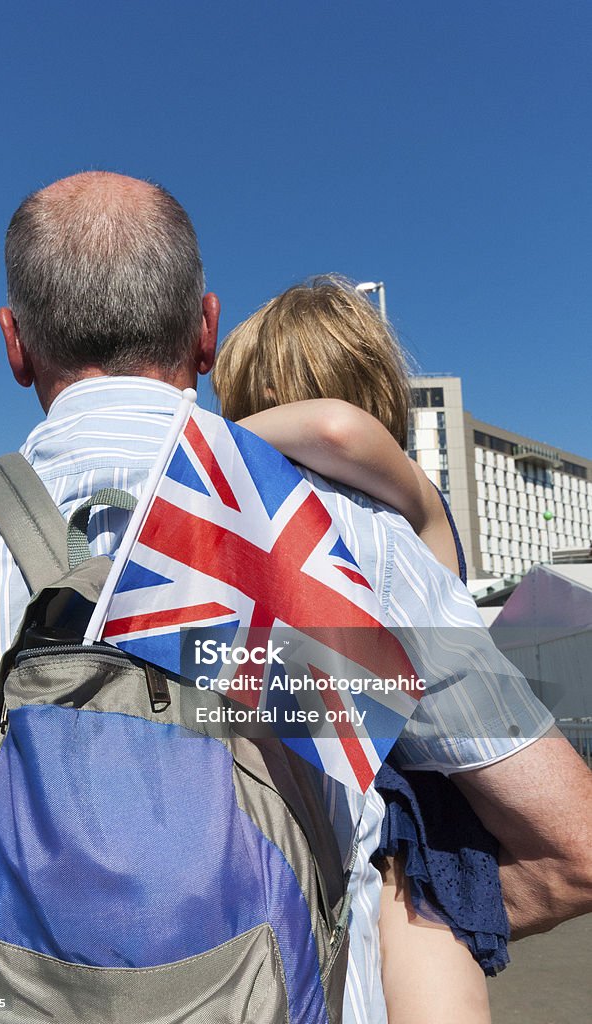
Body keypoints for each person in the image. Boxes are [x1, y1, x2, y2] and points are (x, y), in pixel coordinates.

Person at [0, 174, 589, 1024]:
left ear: (14, 345)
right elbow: (573, 850)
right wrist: (376, 919)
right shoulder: (339, 540)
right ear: (204, 332)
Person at [212, 275, 592, 1020]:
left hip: (399, 814)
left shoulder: (406, 507)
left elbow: (334, 433)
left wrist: (200, 442)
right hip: (406, 833)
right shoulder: (400, 525)